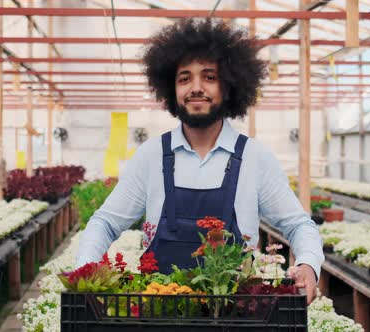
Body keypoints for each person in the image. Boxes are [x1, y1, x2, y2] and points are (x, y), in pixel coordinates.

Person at [77, 18, 324, 304]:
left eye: (209, 77)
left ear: (229, 85)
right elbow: (105, 222)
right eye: (184, 78)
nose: (196, 88)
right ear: (171, 89)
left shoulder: (255, 158)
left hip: (236, 314)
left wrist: (308, 265)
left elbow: (299, 225)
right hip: (160, 312)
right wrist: (87, 264)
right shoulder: (151, 156)